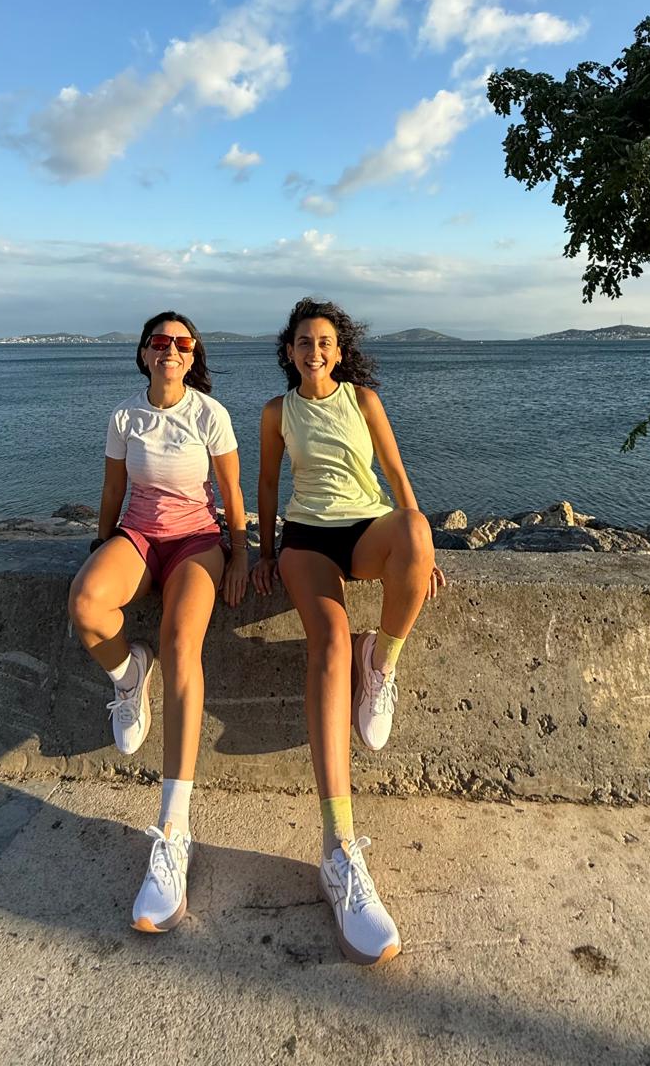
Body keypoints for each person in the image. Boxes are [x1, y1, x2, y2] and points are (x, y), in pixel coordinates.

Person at [254, 297, 445, 966]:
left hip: (365, 528)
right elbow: (268, 485)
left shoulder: (363, 400)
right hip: (307, 540)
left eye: (325, 342)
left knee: (415, 529)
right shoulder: (277, 412)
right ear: (289, 351)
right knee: (330, 644)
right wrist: (263, 552)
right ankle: (338, 846)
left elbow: (395, 474)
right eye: (304, 341)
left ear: (339, 351)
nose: (315, 351)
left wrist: (420, 550)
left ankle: (382, 664)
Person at [68, 311, 248, 934]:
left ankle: (174, 828)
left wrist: (241, 555)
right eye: (160, 341)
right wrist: (101, 544)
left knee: (180, 643)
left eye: (181, 342)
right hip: (139, 538)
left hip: (197, 542)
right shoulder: (125, 417)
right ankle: (128, 674)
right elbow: (113, 491)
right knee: (87, 604)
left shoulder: (210, 414)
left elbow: (231, 494)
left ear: (193, 355)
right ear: (145, 353)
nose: (170, 349)